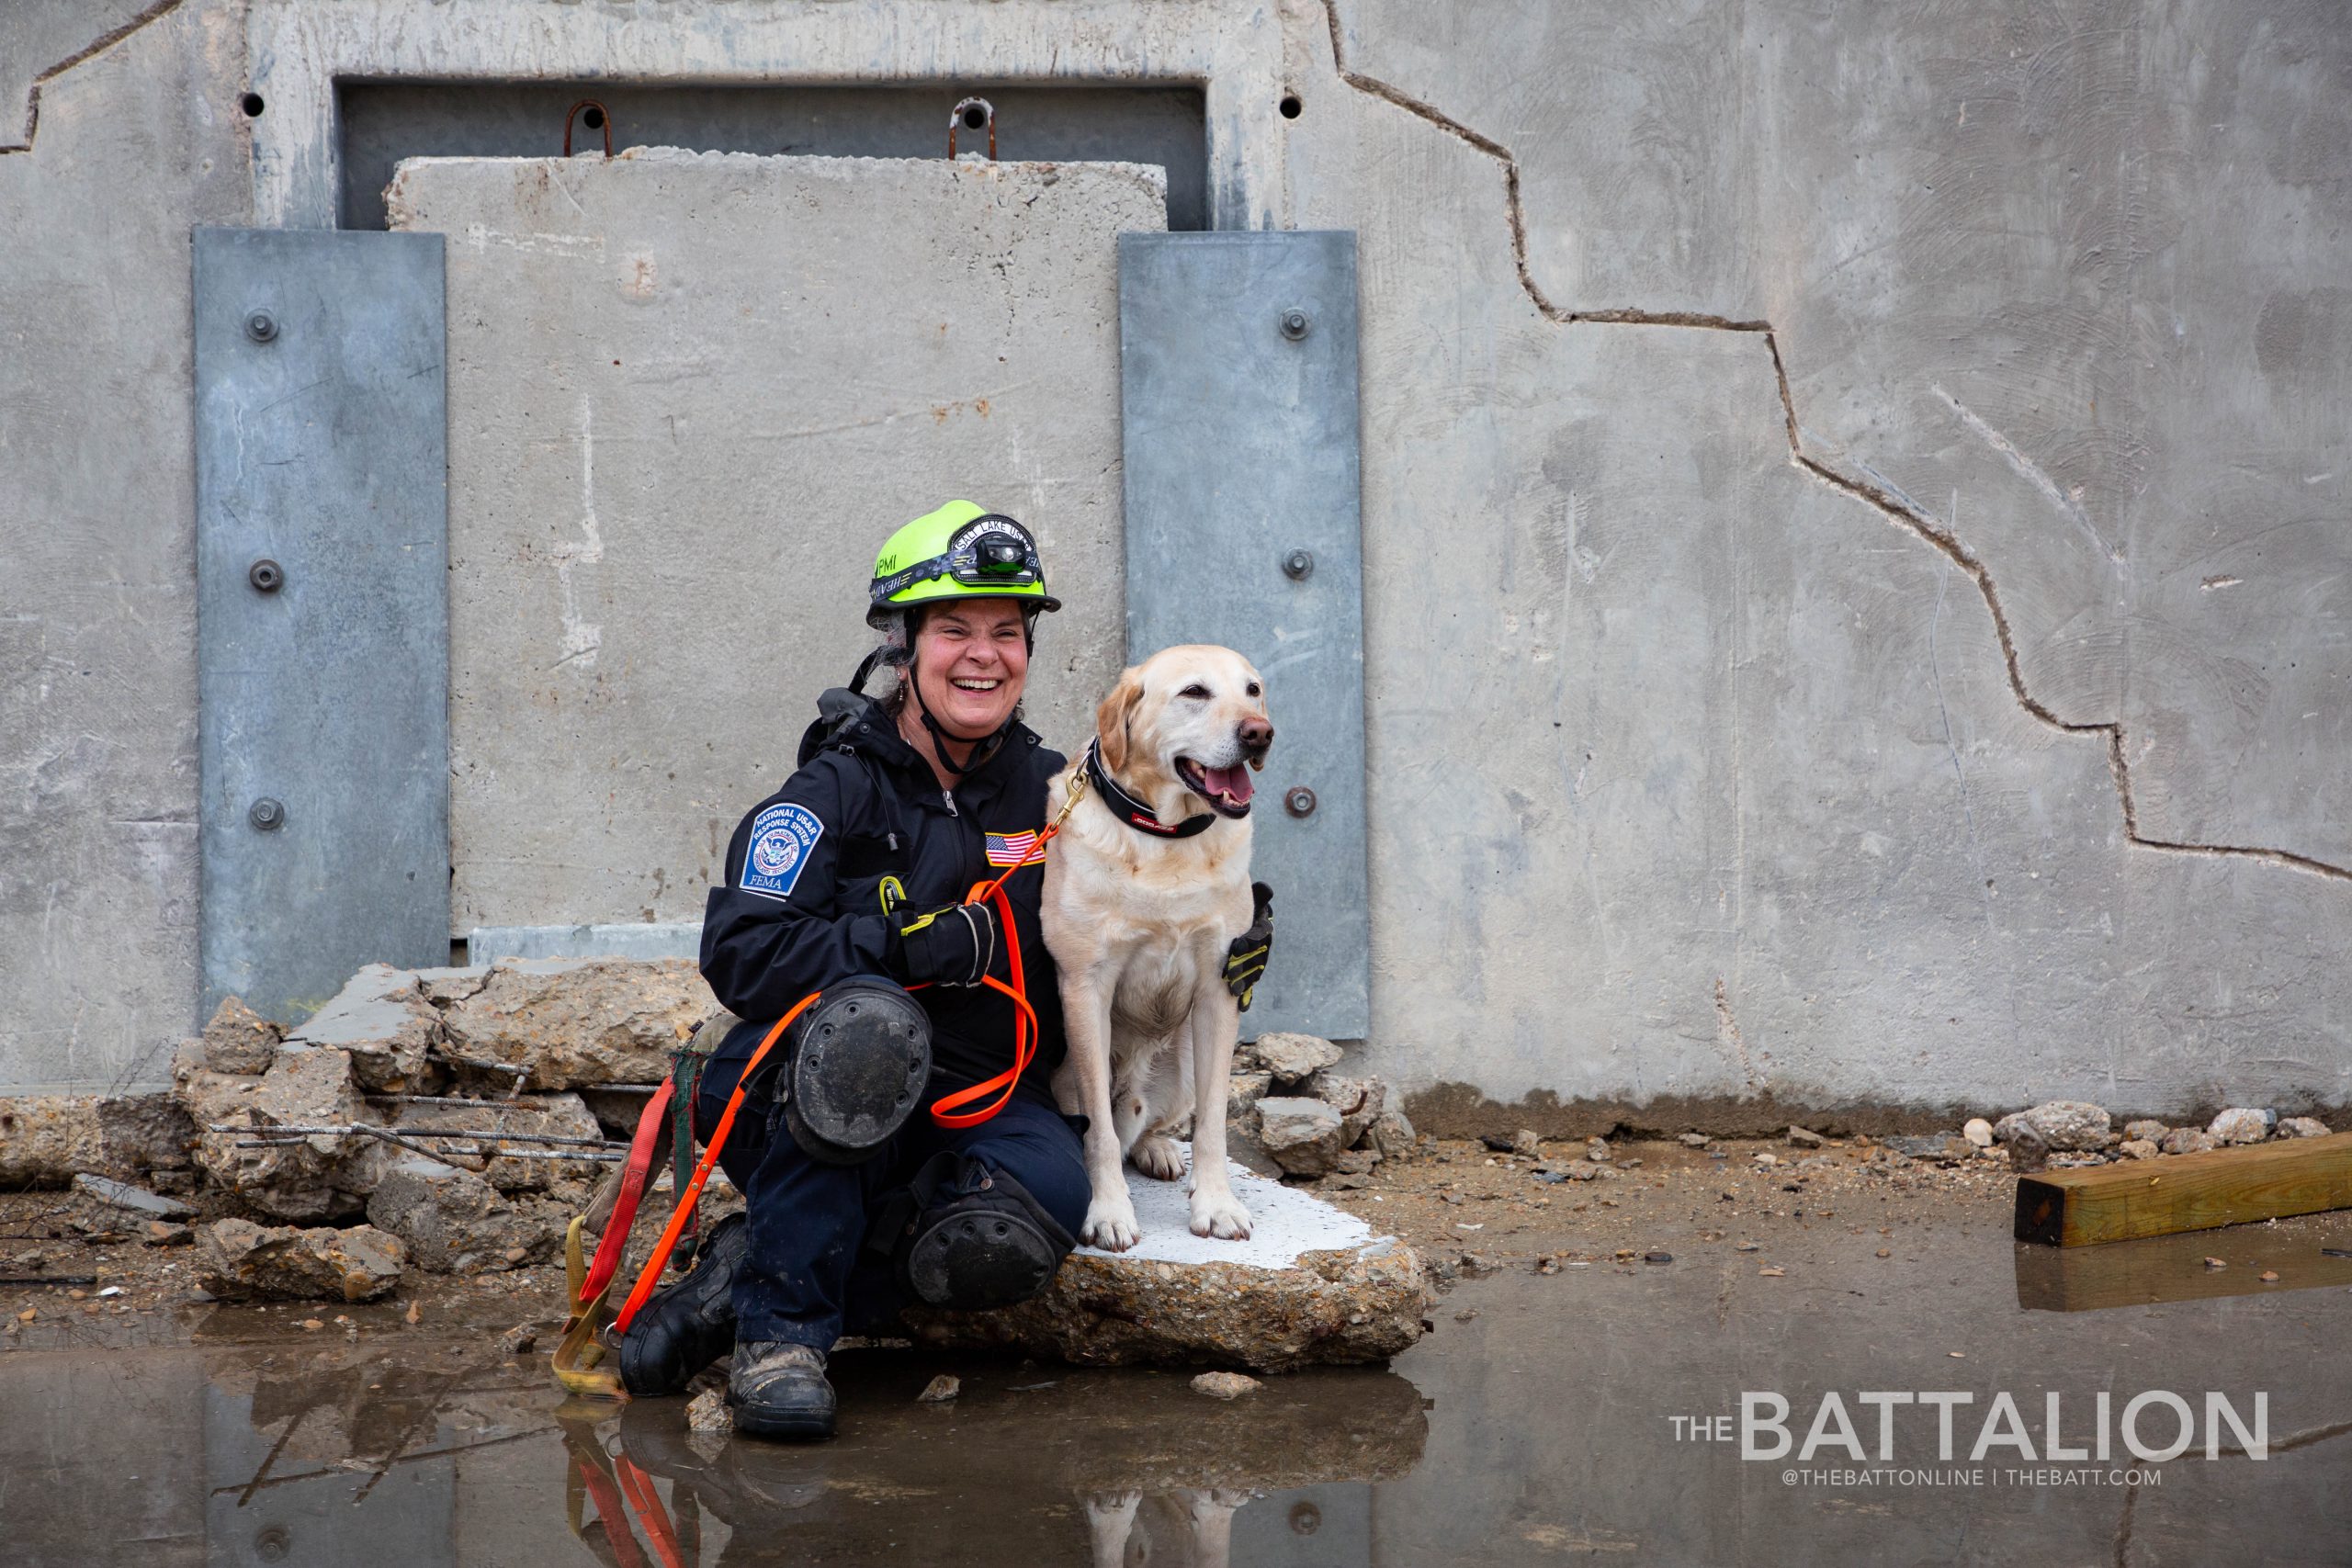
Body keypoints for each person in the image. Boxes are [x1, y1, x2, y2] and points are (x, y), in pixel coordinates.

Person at [622, 500, 1091, 1440]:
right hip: (802, 1085)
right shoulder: (832, 788)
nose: (984, 656)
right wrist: (906, 949)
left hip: (981, 1096)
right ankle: (779, 1341)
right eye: (954, 629)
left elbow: (1116, 950)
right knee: (871, 1033)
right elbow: (741, 953)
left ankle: (740, 1274)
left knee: (1024, 1225)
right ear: (901, 645)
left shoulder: (1058, 791)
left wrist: (1211, 955)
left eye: (1007, 633)